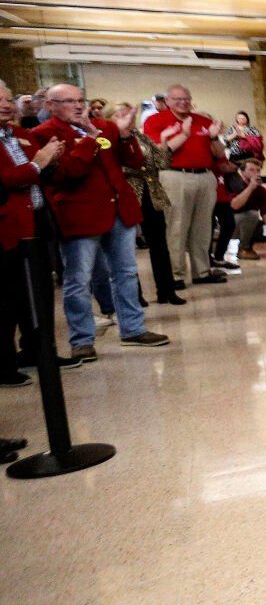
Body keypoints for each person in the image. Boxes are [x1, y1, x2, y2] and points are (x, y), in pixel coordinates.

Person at [29, 84, 170, 361]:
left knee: (126, 273)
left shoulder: (105, 125)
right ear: (51, 105)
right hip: (80, 215)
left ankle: (132, 328)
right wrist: (92, 140)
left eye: (81, 100)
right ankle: (82, 339)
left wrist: (127, 134)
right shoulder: (43, 135)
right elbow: (68, 172)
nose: (79, 106)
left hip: (119, 209)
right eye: (69, 101)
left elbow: (134, 160)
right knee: (78, 280)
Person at [1, 82, 68, 387]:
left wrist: (51, 160)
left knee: (39, 294)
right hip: (7, 227)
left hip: (37, 222)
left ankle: (38, 351)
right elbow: (8, 178)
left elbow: (39, 172)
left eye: (7, 99)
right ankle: (4, 363)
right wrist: (39, 162)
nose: (6, 104)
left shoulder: (21, 134)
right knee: (8, 299)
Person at [143, 83, 224, 287]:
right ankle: (176, 274)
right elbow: (160, 152)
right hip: (174, 176)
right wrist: (184, 134)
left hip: (204, 176)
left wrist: (214, 136)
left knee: (203, 227)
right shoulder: (156, 121)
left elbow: (219, 153)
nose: (183, 103)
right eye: (178, 99)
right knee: (176, 226)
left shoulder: (203, 121)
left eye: (187, 99)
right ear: (168, 101)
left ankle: (202, 271)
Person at [111, 103, 183, 305]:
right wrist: (141, 167)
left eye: (130, 114)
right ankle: (135, 295)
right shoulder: (108, 139)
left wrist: (165, 141)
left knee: (160, 244)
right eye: (122, 114)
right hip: (127, 194)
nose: (128, 118)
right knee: (127, 249)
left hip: (151, 193)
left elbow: (163, 162)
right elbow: (122, 166)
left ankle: (166, 290)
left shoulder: (140, 136)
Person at [227, 156, 266, 259]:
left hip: (247, 223)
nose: (256, 173)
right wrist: (250, 188)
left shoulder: (261, 191)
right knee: (252, 214)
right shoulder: (235, 185)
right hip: (231, 222)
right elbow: (234, 205)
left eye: (258, 170)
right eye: (251, 170)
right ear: (243, 172)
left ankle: (249, 245)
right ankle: (244, 248)